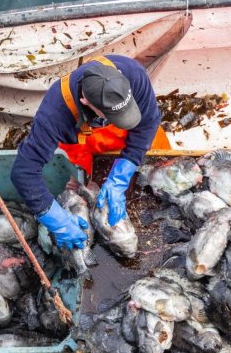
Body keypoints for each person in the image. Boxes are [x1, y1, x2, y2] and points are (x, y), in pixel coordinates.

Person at [10, 55, 169, 250]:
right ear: (85, 101)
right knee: (87, 185)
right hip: (82, 140)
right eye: (112, 115)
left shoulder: (133, 73)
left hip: (126, 134)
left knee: (157, 158)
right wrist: (53, 218)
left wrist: (123, 172)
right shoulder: (55, 113)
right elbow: (23, 172)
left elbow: (148, 122)